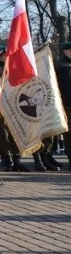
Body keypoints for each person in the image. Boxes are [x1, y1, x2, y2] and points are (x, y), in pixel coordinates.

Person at [54, 41, 71, 170]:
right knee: (69, 134)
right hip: (66, 104)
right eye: (68, 50)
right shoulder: (60, 66)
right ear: (65, 51)